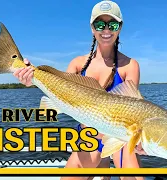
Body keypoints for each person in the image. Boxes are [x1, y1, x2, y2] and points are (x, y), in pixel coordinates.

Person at [13, 1, 146, 179]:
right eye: (100, 24)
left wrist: (140, 142)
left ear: (120, 28)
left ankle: (103, 164)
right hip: (88, 136)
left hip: (120, 137)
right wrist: (31, 79)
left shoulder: (130, 65)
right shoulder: (77, 64)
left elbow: (133, 108)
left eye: (112, 24)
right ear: (92, 28)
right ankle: (102, 164)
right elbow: (57, 90)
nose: (106, 30)